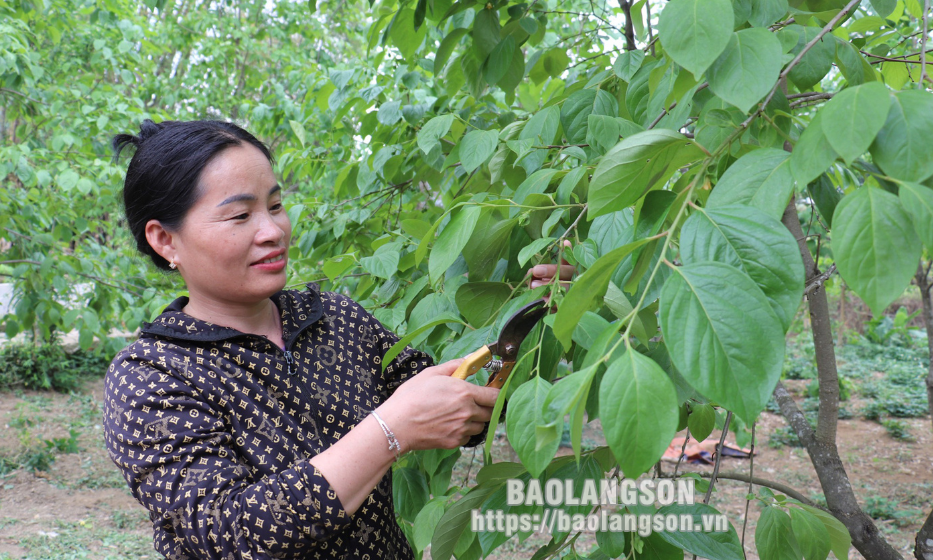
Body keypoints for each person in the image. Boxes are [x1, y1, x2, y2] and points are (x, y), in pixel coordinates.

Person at [103, 119, 572, 560]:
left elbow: (464, 408)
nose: (272, 231)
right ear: (165, 240)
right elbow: (231, 535)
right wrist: (390, 431)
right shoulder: (151, 376)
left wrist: (538, 321)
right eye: (240, 215)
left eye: (276, 205)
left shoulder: (334, 318)